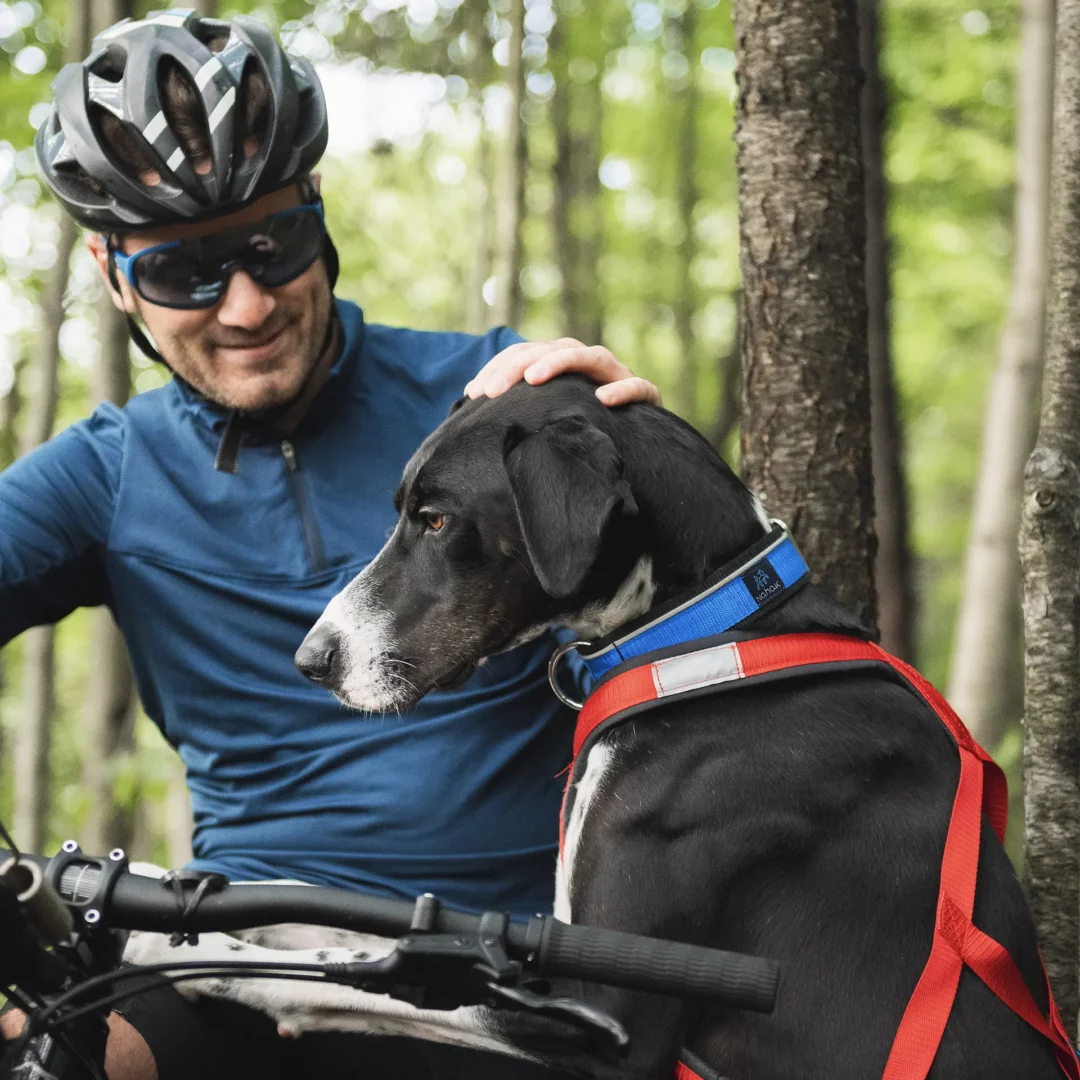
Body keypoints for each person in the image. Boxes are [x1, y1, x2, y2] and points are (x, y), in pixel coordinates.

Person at [0, 9, 660, 1080]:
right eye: (184, 271)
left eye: (273, 246)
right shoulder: (104, 475)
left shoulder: (493, 394)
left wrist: (640, 463)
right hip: (238, 963)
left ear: (318, 212)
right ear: (113, 272)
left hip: (521, 976)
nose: (247, 304)